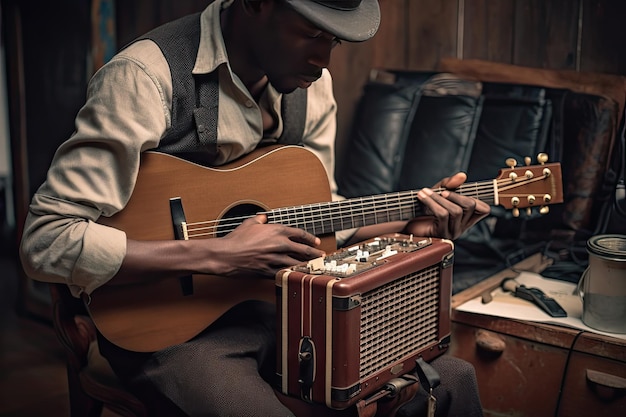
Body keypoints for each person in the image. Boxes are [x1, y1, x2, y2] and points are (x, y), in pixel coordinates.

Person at [20, 1, 490, 416]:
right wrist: (220, 255)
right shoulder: (145, 77)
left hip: (283, 311)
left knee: (452, 381)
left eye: (334, 41)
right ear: (256, 3)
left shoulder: (312, 88)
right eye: (311, 34)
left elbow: (314, 217)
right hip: (167, 330)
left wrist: (411, 225)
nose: (323, 60)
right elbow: (46, 240)